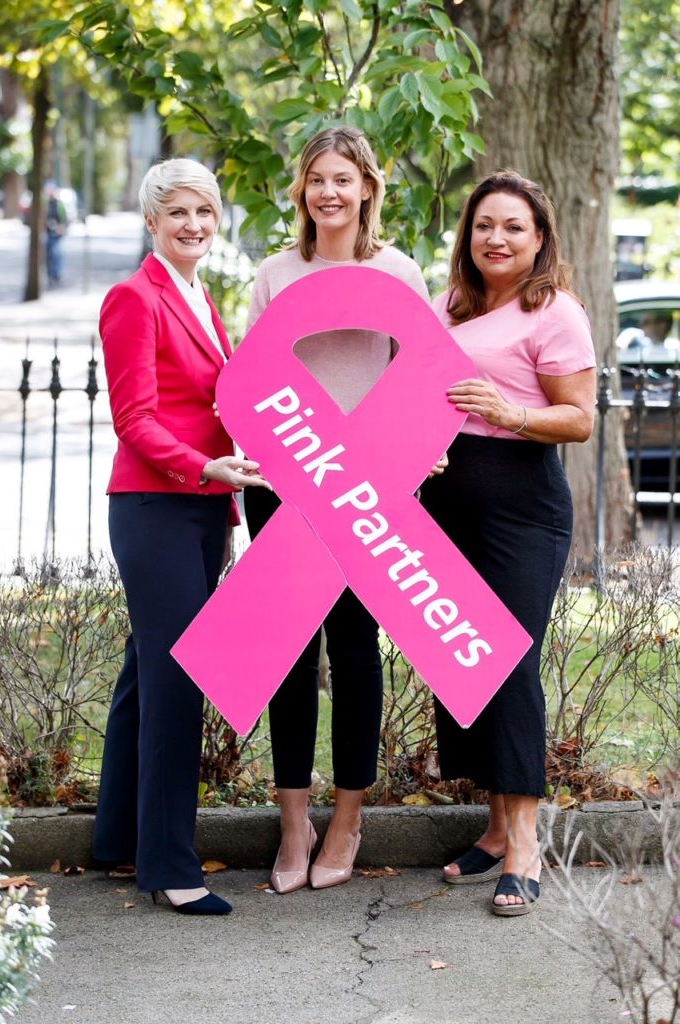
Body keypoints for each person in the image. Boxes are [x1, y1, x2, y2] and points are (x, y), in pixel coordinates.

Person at [244, 126, 441, 894]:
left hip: (368, 489)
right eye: (315, 179)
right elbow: (255, 378)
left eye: (342, 178)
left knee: (355, 655)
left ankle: (348, 819)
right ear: (301, 190)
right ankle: (293, 823)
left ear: (367, 187)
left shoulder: (398, 272)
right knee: (289, 657)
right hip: (286, 487)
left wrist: (409, 459)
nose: (328, 192)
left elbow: (418, 376)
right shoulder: (273, 274)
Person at [93, 158, 270, 916]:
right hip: (156, 506)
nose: (194, 224)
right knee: (176, 683)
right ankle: (169, 866)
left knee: (145, 674)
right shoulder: (134, 298)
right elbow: (134, 420)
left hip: (202, 506)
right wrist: (204, 467)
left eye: (204, 210)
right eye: (178, 214)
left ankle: (118, 840)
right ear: (152, 222)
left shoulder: (199, 294)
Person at [419, 169, 596, 916]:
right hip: (445, 505)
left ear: (538, 239)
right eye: (484, 225)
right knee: (465, 662)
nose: (496, 238)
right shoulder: (449, 306)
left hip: (520, 507)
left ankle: (524, 842)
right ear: (468, 235)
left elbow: (580, 417)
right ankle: (492, 828)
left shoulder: (552, 310)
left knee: (510, 660)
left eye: (513, 227)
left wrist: (511, 411)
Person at [44, 181, 67, 285]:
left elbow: (64, 219)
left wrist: (61, 228)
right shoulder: (45, 203)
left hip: (56, 233)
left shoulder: (59, 204)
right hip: (47, 232)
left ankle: (57, 274)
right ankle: (50, 274)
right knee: (48, 255)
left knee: (56, 254)